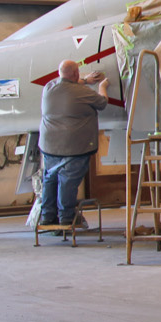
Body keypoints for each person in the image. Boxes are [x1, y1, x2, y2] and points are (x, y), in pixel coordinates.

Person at [39, 59, 108, 227]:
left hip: (49, 145)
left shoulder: (48, 87)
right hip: (73, 146)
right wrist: (102, 87)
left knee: (50, 178)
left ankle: (47, 216)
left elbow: (67, 83)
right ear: (76, 74)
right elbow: (102, 103)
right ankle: (66, 217)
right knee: (68, 181)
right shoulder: (82, 92)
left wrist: (85, 80)